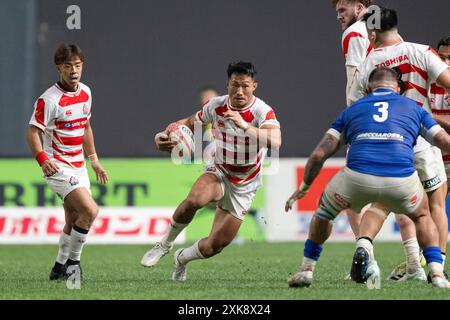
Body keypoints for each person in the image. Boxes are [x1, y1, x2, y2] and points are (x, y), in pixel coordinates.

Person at [285, 67, 450, 289]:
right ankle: (437, 274)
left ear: (368, 88)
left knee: (324, 212)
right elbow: (443, 141)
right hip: (401, 181)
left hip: (357, 179)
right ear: (398, 89)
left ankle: (306, 269)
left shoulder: (352, 110)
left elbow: (318, 154)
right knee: (422, 215)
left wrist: (304, 187)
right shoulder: (414, 108)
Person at [140, 62, 281, 281]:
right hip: (220, 170)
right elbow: (188, 122)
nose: (240, 91)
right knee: (195, 199)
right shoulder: (216, 106)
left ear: (254, 86)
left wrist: (244, 125)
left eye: (245, 85)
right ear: (227, 84)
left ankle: (181, 258)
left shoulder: (262, 110)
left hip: (244, 183)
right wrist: (164, 135)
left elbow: (276, 140)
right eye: (235, 85)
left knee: (214, 246)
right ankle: (165, 244)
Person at [348, 6, 450, 281]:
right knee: (436, 203)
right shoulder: (421, 51)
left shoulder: (370, 63)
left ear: (372, 32)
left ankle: (364, 244)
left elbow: (355, 104)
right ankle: (436, 271)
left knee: (382, 203)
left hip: (389, 143)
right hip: (423, 139)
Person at [26, 43, 108, 281]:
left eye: (78, 65)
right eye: (68, 66)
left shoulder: (86, 92)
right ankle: (73, 264)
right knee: (90, 210)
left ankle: (58, 268)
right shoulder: (49, 100)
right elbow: (32, 132)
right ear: (58, 69)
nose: (74, 71)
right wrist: (42, 160)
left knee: (73, 219)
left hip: (78, 165)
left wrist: (94, 160)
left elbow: (86, 126)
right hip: (58, 166)